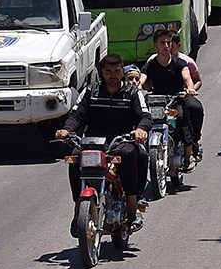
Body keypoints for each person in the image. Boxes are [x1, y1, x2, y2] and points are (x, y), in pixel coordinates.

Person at [55, 54, 152, 234]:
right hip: (92, 141)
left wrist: (140, 130)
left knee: (128, 155)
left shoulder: (132, 93)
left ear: (122, 71)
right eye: (108, 71)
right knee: (75, 157)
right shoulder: (91, 91)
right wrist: (66, 130)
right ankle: (78, 212)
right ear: (102, 72)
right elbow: (76, 115)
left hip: (121, 140)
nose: (113, 75)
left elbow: (145, 116)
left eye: (116, 71)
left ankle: (132, 209)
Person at [140, 29, 203, 172]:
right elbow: (142, 77)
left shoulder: (180, 63)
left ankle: (189, 156)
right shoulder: (151, 64)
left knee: (182, 119)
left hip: (175, 101)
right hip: (157, 102)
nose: (166, 45)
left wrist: (189, 88)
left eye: (168, 42)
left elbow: (187, 77)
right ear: (155, 45)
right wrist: (136, 86)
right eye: (162, 43)